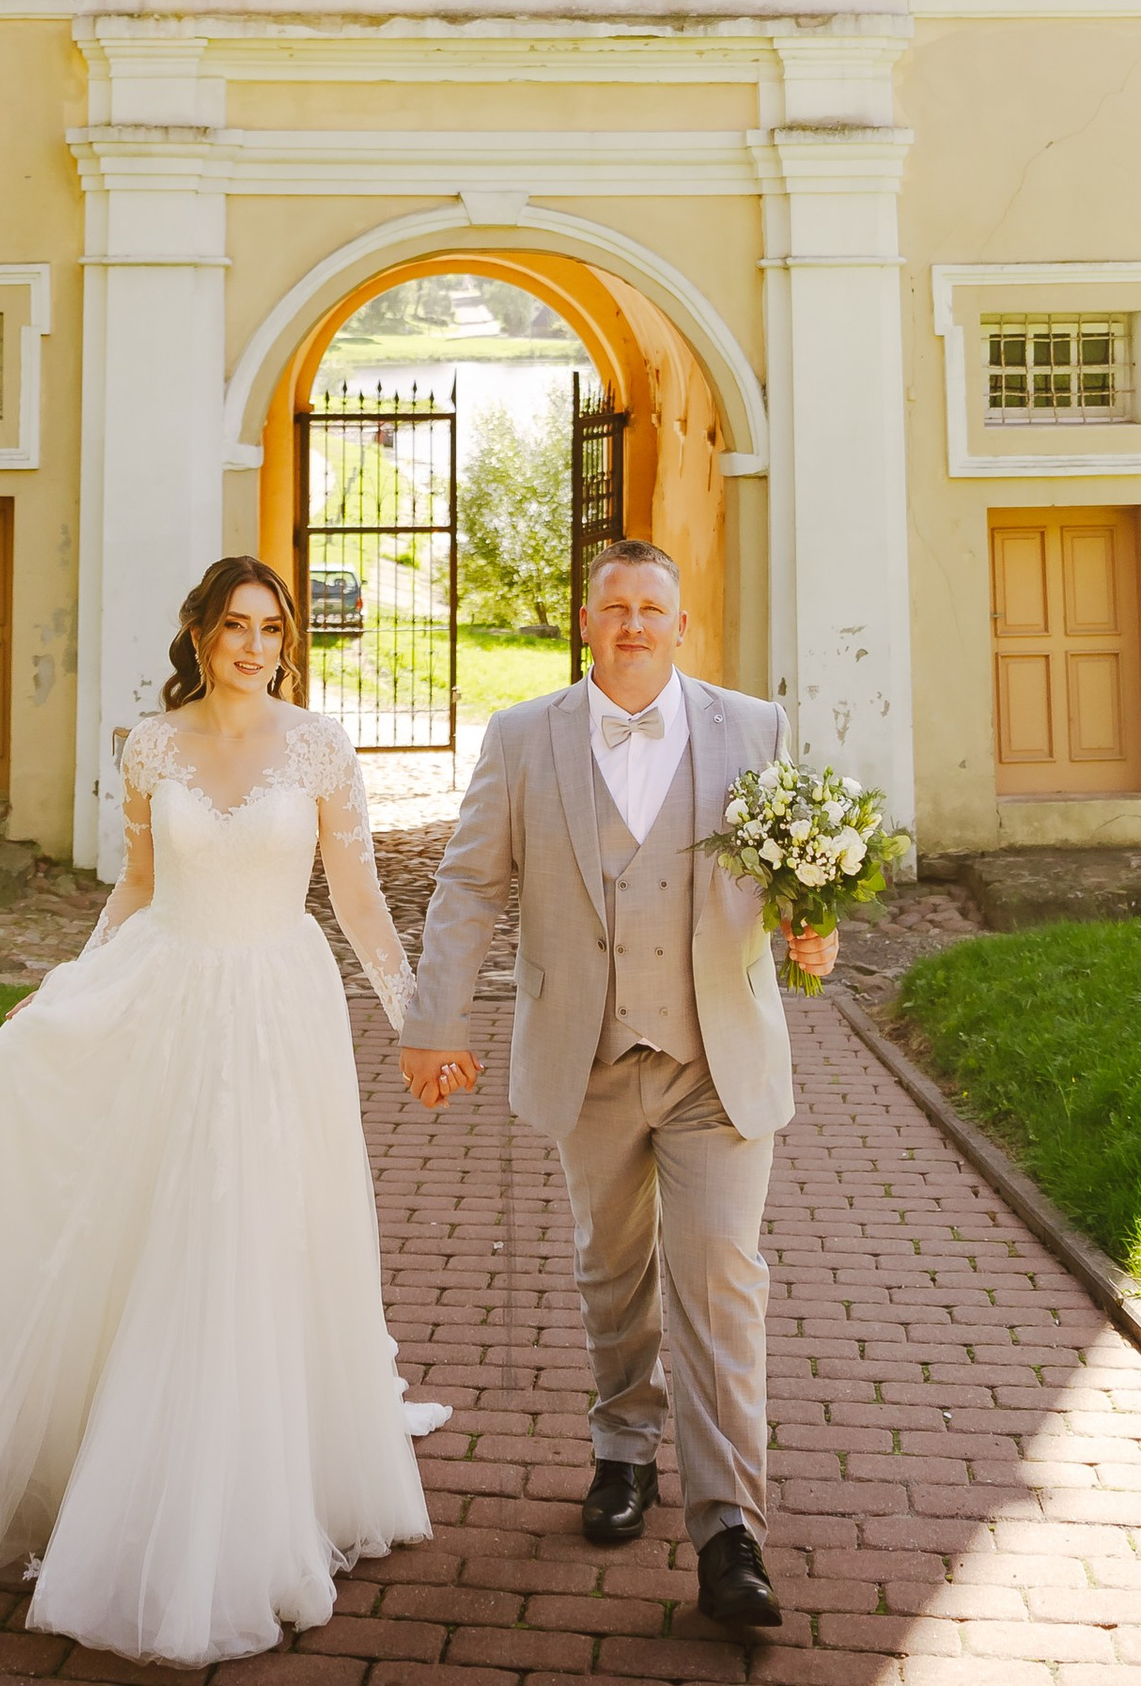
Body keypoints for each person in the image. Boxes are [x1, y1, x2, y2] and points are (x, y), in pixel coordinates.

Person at [0, 555, 439, 1667]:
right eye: (234, 623)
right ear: (196, 631)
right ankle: (143, 1479)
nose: (254, 642)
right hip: (168, 999)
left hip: (280, 1008)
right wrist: (79, 975)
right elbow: (139, 880)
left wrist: (414, 1015)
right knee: (171, 1232)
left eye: (270, 625)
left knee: (262, 1232)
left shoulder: (320, 746)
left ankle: (256, 1486)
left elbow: (356, 891)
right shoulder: (150, 746)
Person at [400, 537, 834, 1635]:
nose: (634, 622)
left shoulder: (754, 728)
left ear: (680, 624)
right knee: (610, 1266)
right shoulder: (521, 736)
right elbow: (466, 882)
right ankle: (619, 1448)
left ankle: (729, 1526)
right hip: (585, 1055)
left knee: (721, 1279)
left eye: (653, 606)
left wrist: (812, 926)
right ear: (585, 621)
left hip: (714, 1064)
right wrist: (436, 1019)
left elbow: (796, 872)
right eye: (615, 606)